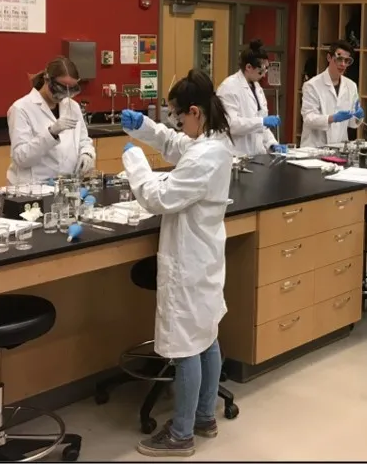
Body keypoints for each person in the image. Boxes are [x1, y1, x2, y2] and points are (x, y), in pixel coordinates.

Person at [119, 70, 234, 458]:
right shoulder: (213, 141)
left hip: (189, 260)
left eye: (178, 116)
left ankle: (181, 434)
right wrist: (148, 128)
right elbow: (178, 144)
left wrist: (135, 161)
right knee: (207, 338)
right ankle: (204, 417)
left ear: (196, 111)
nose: (176, 124)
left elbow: (158, 198)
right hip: (204, 257)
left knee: (187, 346)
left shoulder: (205, 156)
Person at [7, 56, 95, 185]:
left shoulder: (72, 106)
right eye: (60, 89)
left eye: (69, 91)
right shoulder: (21, 108)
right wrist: (51, 133)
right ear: (47, 79)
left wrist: (87, 154)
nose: (63, 96)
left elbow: (83, 140)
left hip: (67, 185)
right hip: (33, 187)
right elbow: (21, 158)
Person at [216, 39, 286, 156]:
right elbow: (231, 125)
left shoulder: (257, 88)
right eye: (261, 71)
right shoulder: (228, 87)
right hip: (236, 155)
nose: (264, 75)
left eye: (266, 69)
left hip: (257, 154)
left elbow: (262, 126)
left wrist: (272, 144)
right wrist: (261, 121)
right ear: (248, 67)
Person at [299, 40, 363, 148]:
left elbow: (352, 123)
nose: (343, 64)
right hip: (314, 148)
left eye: (347, 61)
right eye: (339, 59)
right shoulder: (312, 85)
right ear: (329, 57)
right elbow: (308, 118)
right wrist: (332, 118)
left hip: (339, 147)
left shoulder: (351, 86)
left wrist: (358, 116)